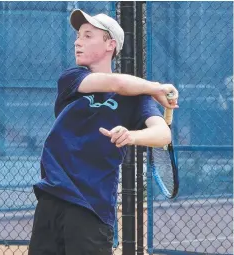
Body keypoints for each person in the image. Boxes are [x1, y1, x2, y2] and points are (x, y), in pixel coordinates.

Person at [29, 9, 179, 255]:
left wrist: (132, 136)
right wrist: (156, 87)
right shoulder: (71, 79)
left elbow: (163, 134)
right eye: (78, 36)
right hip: (51, 198)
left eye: (88, 36)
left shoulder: (138, 98)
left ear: (110, 45)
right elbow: (116, 83)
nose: (78, 41)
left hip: (92, 206)